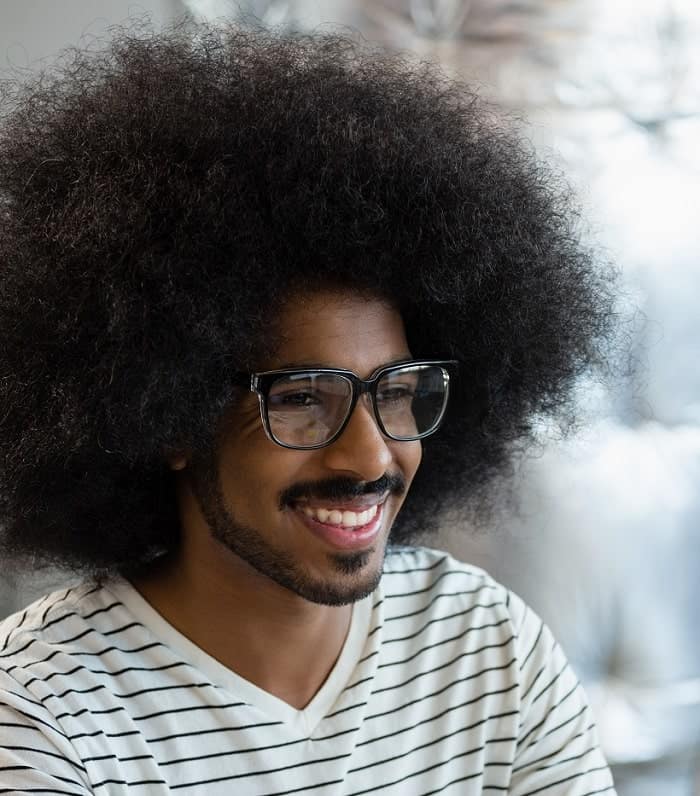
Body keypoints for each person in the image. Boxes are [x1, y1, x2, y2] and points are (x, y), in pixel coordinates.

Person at [0, 22, 619, 794]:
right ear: (170, 418)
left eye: (396, 391)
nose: (368, 456)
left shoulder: (483, 642)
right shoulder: (39, 716)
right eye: (299, 400)